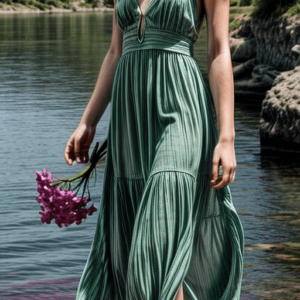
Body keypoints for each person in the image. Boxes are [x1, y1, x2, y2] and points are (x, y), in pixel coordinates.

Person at [64, 0, 245, 299]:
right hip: (130, 120)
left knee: (156, 240)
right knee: (137, 246)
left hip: (181, 109)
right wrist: (88, 121)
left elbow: (219, 50)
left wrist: (227, 137)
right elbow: (115, 52)